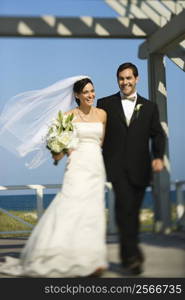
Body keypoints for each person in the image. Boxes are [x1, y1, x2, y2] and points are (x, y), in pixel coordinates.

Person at [0, 76, 108, 277]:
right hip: (76, 167)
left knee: (92, 211)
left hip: (96, 166)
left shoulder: (102, 114)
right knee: (70, 207)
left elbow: (100, 142)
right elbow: (58, 153)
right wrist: (58, 145)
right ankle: (57, 254)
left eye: (92, 90)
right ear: (77, 95)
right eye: (85, 92)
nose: (90, 95)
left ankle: (92, 260)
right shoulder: (66, 116)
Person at [97, 62, 166, 275]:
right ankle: (131, 256)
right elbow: (96, 129)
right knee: (123, 209)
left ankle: (132, 250)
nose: (125, 82)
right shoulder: (105, 103)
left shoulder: (149, 107)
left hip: (141, 167)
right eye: (121, 78)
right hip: (116, 166)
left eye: (128, 78)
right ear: (117, 80)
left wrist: (158, 156)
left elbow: (158, 134)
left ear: (137, 79)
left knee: (132, 212)